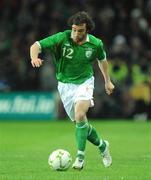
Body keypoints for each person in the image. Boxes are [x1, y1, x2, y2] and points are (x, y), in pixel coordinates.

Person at [30, 11, 114, 170]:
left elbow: (102, 60)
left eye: (80, 30)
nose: (76, 33)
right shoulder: (62, 38)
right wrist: (34, 58)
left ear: (87, 29)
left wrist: (107, 81)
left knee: (80, 114)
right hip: (64, 85)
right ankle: (103, 146)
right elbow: (36, 45)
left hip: (85, 82)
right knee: (81, 124)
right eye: (74, 29)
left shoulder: (96, 44)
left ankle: (80, 158)